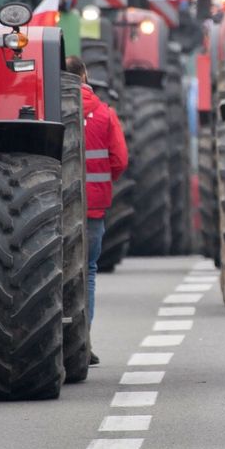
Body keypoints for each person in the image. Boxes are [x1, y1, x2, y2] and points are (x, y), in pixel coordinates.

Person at [66, 56, 127, 364]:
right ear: (85, 76)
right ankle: (82, 342)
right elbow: (120, 160)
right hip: (93, 208)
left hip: (55, 208)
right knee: (87, 271)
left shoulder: (47, 109)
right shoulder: (104, 113)